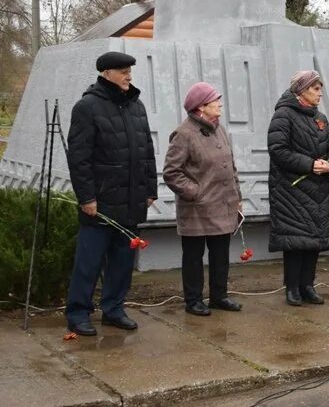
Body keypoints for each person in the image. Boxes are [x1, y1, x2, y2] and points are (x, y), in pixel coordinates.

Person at [65, 52, 157, 336]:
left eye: (129, 70)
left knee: (122, 261)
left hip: (130, 200)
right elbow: (79, 159)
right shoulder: (87, 107)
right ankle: (78, 313)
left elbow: (147, 151)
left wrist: (150, 189)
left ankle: (114, 309)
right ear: (106, 74)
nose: (128, 75)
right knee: (89, 262)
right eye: (122, 71)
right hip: (101, 203)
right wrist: (87, 198)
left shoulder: (136, 106)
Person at [163, 82, 243, 316]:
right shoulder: (184, 134)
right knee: (194, 257)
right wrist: (196, 193)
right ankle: (193, 300)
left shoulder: (220, 129)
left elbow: (231, 166)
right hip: (196, 208)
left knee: (221, 254)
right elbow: (171, 172)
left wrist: (237, 196)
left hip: (223, 205)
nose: (220, 104)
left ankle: (219, 296)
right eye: (215, 100)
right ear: (201, 107)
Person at [268, 71, 329, 306]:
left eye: (320, 88)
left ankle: (308, 285)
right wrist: (310, 164)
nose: (320, 93)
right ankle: (292, 288)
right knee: (295, 240)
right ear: (301, 91)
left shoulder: (320, 118)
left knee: (314, 240)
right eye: (315, 88)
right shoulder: (284, 115)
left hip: (318, 190)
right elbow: (278, 150)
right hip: (291, 190)